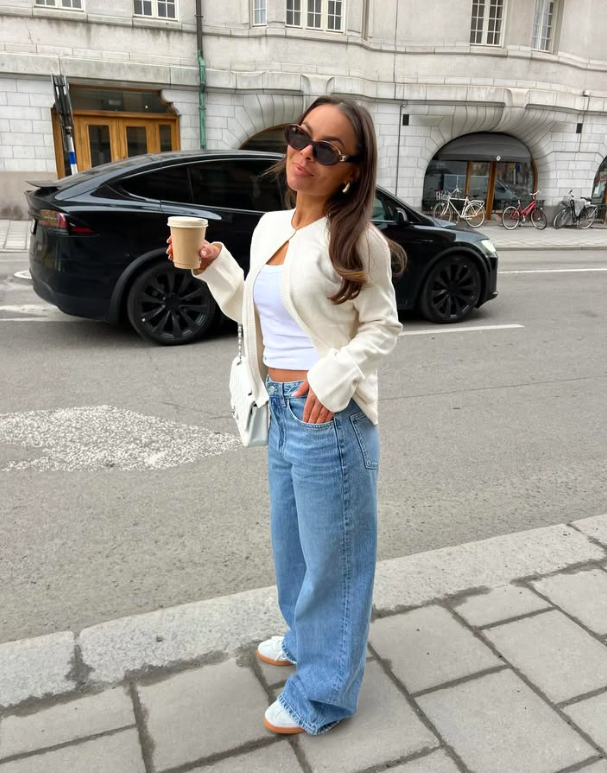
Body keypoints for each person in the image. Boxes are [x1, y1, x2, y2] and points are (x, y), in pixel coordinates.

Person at [167, 95, 406, 736]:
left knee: (338, 558)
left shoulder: (360, 240)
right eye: (302, 135)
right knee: (293, 545)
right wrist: (218, 269)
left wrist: (330, 382)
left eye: (327, 148)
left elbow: (384, 328)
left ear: (351, 169)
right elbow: (254, 311)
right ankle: (306, 637)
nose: (306, 152)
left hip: (331, 418)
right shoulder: (271, 227)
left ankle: (326, 694)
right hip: (279, 407)